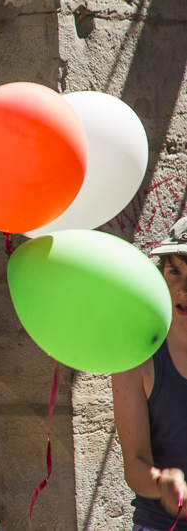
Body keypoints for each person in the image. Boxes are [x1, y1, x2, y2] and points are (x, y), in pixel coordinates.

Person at [113, 216, 187, 531]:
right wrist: (161, 483)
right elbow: (136, 465)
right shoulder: (137, 358)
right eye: (175, 273)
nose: (184, 289)